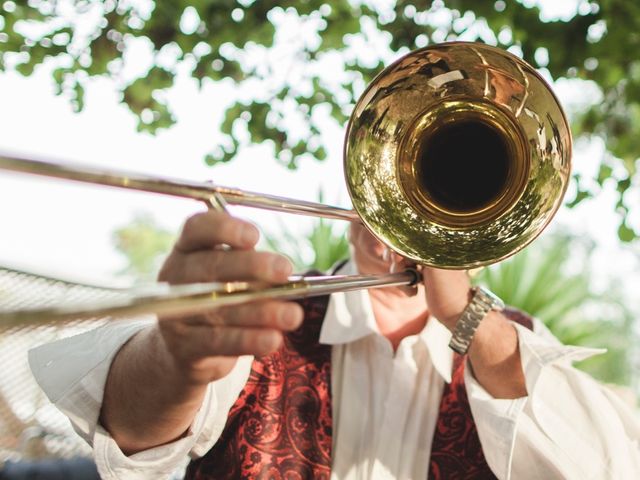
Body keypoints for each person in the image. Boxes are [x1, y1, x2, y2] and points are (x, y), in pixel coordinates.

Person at [29, 209, 640, 479]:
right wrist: (177, 354)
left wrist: (474, 319)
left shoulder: (517, 345)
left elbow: (609, 469)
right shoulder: (273, 309)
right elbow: (134, 440)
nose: (409, 225)